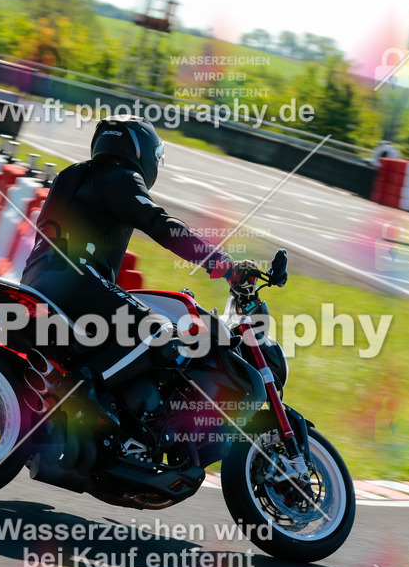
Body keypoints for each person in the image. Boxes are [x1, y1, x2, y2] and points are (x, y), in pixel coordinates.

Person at [20, 115, 257, 393]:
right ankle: (80, 392)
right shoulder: (120, 178)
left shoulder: (70, 175)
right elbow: (163, 226)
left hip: (35, 278)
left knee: (115, 338)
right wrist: (221, 263)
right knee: (158, 331)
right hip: (77, 282)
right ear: (141, 150)